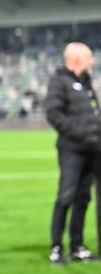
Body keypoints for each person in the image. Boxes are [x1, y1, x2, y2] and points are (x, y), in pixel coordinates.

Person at [44, 42, 101, 265]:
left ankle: (77, 246)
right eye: (89, 57)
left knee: (83, 198)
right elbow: (54, 114)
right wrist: (80, 133)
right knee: (65, 196)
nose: (93, 61)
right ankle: (56, 247)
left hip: (93, 150)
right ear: (76, 59)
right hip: (72, 150)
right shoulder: (60, 82)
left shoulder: (85, 83)